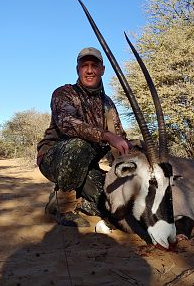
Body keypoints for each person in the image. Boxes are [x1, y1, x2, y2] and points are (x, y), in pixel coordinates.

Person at [37, 47, 130, 227]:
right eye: (84, 65)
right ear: (77, 69)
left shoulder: (108, 104)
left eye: (94, 65)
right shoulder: (63, 93)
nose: (89, 70)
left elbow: (119, 140)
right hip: (54, 159)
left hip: (85, 166)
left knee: (109, 204)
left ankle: (72, 201)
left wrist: (131, 151)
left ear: (102, 69)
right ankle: (64, 207)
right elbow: (68, 123)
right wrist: (106, 135)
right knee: (79, 145)